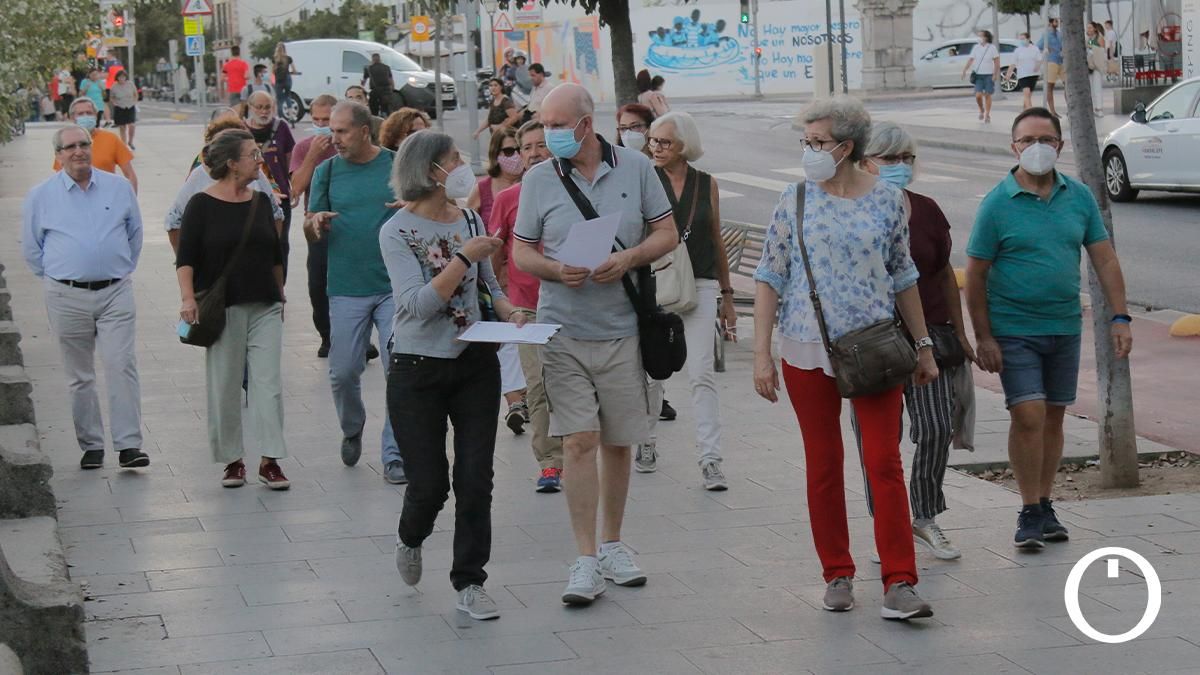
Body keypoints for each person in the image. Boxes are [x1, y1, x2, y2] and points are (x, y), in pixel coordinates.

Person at [751, 96, 938, 621]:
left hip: (874, 350)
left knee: (883, 462)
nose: (809, 150)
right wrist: (762, 354)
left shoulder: (886, 201)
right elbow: (769, 276)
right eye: (806, 141)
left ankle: (900, 581)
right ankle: (837, 571)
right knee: (823, 463)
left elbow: (903, 275)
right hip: (805, 348)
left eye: (818, 142)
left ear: (847, 146)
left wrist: (924, 346)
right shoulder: (794, 199)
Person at [512, 84, 678, 606]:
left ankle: (613, 544)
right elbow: (521, 252)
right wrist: (554, 269)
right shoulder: (539, 179)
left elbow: (667, 233)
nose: (549, 134)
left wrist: (627, 259)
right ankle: (585, 558)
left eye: (558, 125)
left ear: (586, 124)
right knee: (578, 440)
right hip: (562, 328)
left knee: (618, 441)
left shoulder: (636, 168)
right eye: (545, 125)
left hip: (623, 327)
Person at [966, 107, 1131, 550]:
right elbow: (975, 273)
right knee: (1029, 414)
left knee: (1054, 415)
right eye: (1027, 140)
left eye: (1046, 139)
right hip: (1013, 328)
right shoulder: (997, 204)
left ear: (1059, 145)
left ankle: (1044, 504)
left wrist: (1120, 316)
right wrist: (983, 336)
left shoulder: (1078, 197)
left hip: (1063, 326)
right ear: (1013, 147)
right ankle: (1027, 510)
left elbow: (1104, 259)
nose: (1037, 147)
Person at [382, 130, 524, 622]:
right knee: (429, 485)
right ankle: (411, 535)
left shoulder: (469, 218)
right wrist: (464, 256)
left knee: (475, 478)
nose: (462, 166)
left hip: (474, 363)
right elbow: (417, 305)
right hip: (416, 368)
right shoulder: (397, 231)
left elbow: (488, 287)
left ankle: (470, 581)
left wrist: (510, 311)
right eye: (453, 159)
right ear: (430, 171)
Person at [853, 122, 974, 562]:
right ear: (865, 162)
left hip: (928, 338)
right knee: (878, 444)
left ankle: (924, 515)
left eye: (907, 158)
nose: (900, 166)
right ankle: (888, 526)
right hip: (871, 344)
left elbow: (942, 274)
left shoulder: (926, 210)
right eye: (889, 158)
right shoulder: (851, 211)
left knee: (937, 427)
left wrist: (960, 332)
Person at [21, 125, 148, 472]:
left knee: (121, 364)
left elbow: (135, 235)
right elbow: (32, 249)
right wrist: (61, 277)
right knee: (79, 375)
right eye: (70, 147)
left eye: (84, 144)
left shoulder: (119, 188)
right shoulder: (41, 196)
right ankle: (91, 445)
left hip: (115, 292)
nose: (78, 151)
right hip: (66, 295)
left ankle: (129, 445)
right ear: (58, 155)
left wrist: (115, 268)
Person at [176, 129, 290, 491]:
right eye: (253, 155)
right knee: (224, 384)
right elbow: (185, 257)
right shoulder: (201, 205)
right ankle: (232, 460)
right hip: (223, 308)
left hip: (265, 303)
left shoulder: (261, 200)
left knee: (268, 384)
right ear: (231, 163)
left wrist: (281, 293)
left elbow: (275, 253)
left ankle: (270, 460)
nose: (260, 160)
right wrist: (188, 298)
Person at [636, 111, 737, 490]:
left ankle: (711, 459)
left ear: (684, 146)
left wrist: (728, 295)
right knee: (653, 372)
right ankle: (646, 440)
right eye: (653, 140)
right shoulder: (646, 179)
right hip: (658, 283)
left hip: (702, 283)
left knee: (701, 373)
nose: (656, 147)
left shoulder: (706, 183)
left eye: (665, 142)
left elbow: (715, 237)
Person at [305, 101, 404, 483]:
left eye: (342, 131)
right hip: (346, 287)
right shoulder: (327, 171)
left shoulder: (396, 164)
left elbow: (425, 208)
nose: (335, 138)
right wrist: (316, 223)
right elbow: (309, 225)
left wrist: (411, 206)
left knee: (400, 367)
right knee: (343, 371)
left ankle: (394, 454)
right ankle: (352, 426)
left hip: (394, 286)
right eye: (332, 131)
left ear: (364, 131)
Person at [489, 121, 563, 493]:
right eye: (526, 147)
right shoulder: (508, 199)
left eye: (541, 145)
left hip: (572, 303)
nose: (534, 153)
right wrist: (497, 297)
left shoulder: (574, 191)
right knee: (537, 385)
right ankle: (550, 462)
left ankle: (579, 450)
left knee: (572, 384)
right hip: (527, 307)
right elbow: (494, 252)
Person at [466, 128, 528, 435]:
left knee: (524, 338)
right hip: (498, 276)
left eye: (517, 150)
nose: (514, 156)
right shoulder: (485, 189)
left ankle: (526, 396)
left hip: (524, 274)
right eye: (507, 151)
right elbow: (467, 224)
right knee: (508, 341)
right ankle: (515, 402)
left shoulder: (533, 185)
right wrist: (485, 280)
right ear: (495, 155)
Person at [166, 116, 284, 255]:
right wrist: (184, 259)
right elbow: (174, 221)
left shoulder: (256, 175)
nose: (260, 160)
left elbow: (276, 215)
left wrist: (270, 254)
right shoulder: (198, 180)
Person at [288, 94, 339, 356]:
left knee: (351, 286)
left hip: (350, 225)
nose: (320, 125)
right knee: (318, 283)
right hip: (318, 226)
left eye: (326, 120)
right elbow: (296, 187)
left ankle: (357, 338)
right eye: (316, 119)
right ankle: (326, 336)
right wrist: (313, 155)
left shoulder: (347, 145)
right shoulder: (303, 148)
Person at [245, 91, 295, 277]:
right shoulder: (242, 130)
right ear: (250, 107)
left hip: (280, 198)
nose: (264, 111)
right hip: (250, 198)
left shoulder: (281, 127)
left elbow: (290, 160)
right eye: (259, 107)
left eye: (268, 107)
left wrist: (293, 185)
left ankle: (279, 285)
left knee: (280, 243)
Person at [55, 98, 138, 192]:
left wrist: (131, 198)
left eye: (89, 113)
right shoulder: (65, 142)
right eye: (81, 114)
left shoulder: (111, 139)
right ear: (72, 118)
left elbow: (130, 174)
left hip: (108, 196)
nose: (85, 116)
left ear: (96, 115)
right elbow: (59, 178)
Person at [962, 30, 1000, 124]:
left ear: (986, 37)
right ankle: (981, 109)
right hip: (978, 75)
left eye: (980, 36)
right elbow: (971, 59)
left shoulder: (992, 47)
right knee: (978, 95)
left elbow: (996, 62)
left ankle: (987, 114)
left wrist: (995, 74)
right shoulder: (976, 47)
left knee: (987, 95)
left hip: (988, 75)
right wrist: (965, 70)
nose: (978, 38)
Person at [1038, 17, 1064, 118]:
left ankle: (1070, 108)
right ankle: (1052, 111)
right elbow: (1039, 45)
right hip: (1051, 61)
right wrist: (1047, 48)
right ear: (1051, 23)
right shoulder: (1046, 34)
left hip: (1061, 61)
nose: (1057, 23)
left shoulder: (1059, 34)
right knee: (1050, 86)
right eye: (1056, 21)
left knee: (1067, 84)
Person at [109, 70, 137, 150]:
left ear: (125, 77)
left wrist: (134, 101)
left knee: (132, 125)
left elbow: (135, 94)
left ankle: (130, 142)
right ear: (117, 78)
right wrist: (114, 103)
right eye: (120, 77)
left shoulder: (130, 84)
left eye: (123, 77)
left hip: (130, 106)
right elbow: (111, 97)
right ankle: (124, 145)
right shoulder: (114, 86)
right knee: (122, 127)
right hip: (120, 107)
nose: (122, 78)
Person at [1014, 32, 1043, 111]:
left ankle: (1025, 110)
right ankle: (1030, 111)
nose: (1022, 40)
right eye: (1020, 39)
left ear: (1028, 39)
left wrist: (1037, 67)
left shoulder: (1035, 48)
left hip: (1033, 74)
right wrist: (1009, 74)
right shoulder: (1018, 50)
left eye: (1023, 39)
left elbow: (1039, 59)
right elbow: (1013, 63)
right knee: (1026, 93)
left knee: (1029, 94)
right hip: (1022, 75)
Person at [362, 53, 396, 117]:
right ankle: (386, 117)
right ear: (380, 59)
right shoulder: (386, 67)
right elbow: (391, 79)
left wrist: (361, 86)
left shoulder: (368, 68)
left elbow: (364, 81)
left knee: (374, 108)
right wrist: (392, 89)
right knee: (386, 108)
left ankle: (375, 118)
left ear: (372, 59)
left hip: (375, 90)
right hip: (386, 90)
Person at [273, 43, 299, 123]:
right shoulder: (288, 58)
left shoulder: (275, 59)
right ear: (285, 49)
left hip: (278, 80)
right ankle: (291, 116)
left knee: (279, 99)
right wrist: (294, 72)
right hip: (287, 79)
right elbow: (294, 70)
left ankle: (280, 117)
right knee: (288, 96)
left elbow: (273, 71)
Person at [1086, 22, 1107, 117]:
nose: (1088, 30)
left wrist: (1092, 48)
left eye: (1090, 27)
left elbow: (1102, 51)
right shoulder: (1089, 39)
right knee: (1091, 88)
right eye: (1087, 28)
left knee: (1097, 87)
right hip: (1090, 65)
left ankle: (1100, 108)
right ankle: (1094, 107)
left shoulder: (1099, 38)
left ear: (1095, 28)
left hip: (1097, 66)